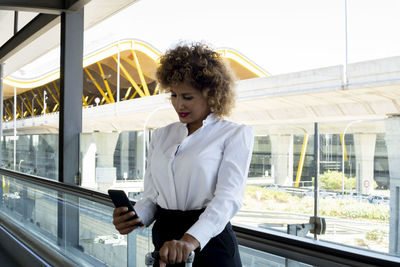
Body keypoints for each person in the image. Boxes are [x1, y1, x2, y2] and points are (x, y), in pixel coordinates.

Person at [112, 42, 254, 267]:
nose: (179, 104)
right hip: (166, 244)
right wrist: (134, 217)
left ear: (211, 94)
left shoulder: (234, 134)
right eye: (174, 95)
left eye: (187, 97)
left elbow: (228, 200)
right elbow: (151, 197)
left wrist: (189, 241)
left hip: (210, 243)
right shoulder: (161, 135)